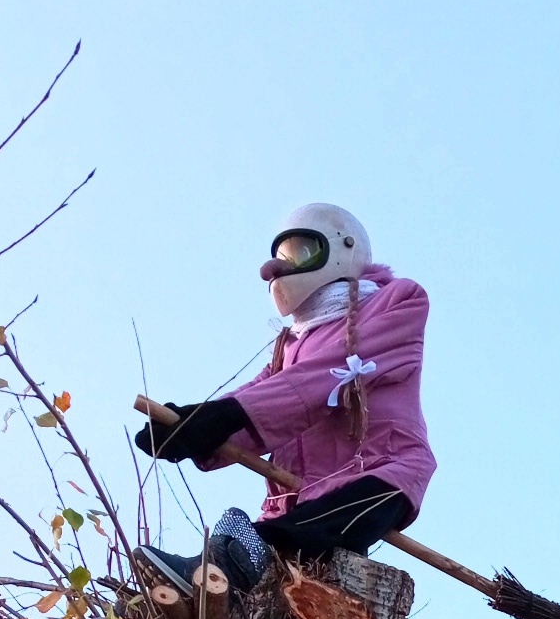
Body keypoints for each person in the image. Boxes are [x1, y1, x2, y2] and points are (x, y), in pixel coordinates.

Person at [133, 203, 436, 597]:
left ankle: (225, 565)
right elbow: (258, 397)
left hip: (380, 473)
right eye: (280, 256)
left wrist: (224, 416)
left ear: (342, 247)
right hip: (297, 494)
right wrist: (193, 427)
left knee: (303, 532)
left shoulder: (398, 303)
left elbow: (321, 377)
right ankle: (197, 593)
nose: (276, 268)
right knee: (271, 570)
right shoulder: (290, 345)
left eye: (299, 252)